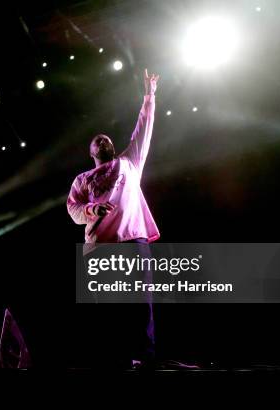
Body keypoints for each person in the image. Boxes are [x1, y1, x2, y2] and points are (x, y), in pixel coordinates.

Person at [67, 69, 160, 367]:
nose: (103, 139)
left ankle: (144, 358)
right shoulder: (82, 179)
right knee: (108, 307)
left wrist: (149, 95)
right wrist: (93, 210)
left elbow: (143, 128)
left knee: (141, 304)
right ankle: (115, 360)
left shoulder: (130, 162)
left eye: (106, 137)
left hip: (133, 240)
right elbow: (73, 211)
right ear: (92, 152)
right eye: (98, 139)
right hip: (101, 247)